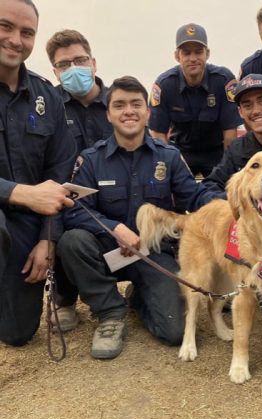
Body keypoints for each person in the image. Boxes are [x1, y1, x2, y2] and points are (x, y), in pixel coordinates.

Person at [58, 76, 221, 359]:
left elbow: (193, 198)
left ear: (148, 112)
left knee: (174, 332)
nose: (129, 111)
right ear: (108, 114)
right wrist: (114, 229)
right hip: (105, 252)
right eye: (119, 105)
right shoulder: (91, 159)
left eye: (136, 104)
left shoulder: (168, 157)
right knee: (73, 242)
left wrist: (228, 206)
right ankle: (110, 311)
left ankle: (139, 297)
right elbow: (76, 210)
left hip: (151, 252)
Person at [0, 0, 77, 347]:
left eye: (26, 32)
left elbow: (58, 175)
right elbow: (33, 193)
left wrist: (48, 239)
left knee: (17, 334)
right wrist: (19, 193)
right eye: (5, 27)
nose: (16, 40)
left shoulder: (48, 96)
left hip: (27, 226)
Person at [45, 28, 114, 331]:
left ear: (94, 63)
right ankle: (65, 299)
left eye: (80, 60)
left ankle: (137, 283)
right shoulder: (49, 107)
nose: (73, 69)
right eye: (64, 65)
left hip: (115, 198)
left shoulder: (119, 103)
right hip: (68, 198)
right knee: (57, 223)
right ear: (55, 71)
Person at [149, 23, 242, 177]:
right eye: (186, 53)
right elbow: (158, 134)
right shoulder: (164, 85)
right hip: (180, 152)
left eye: (199, 52)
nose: (193, 58)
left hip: (216, 153)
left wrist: (225, 169)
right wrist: (174, 164)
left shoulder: (223, 80)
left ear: (207, 54)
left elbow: (230, 134)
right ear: (177, 56)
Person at [202, 73, 262, 193]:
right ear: (240, 112)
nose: (256, 111)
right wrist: (243, 202)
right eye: (247, 105)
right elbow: (211, 186)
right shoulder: (237, 149)